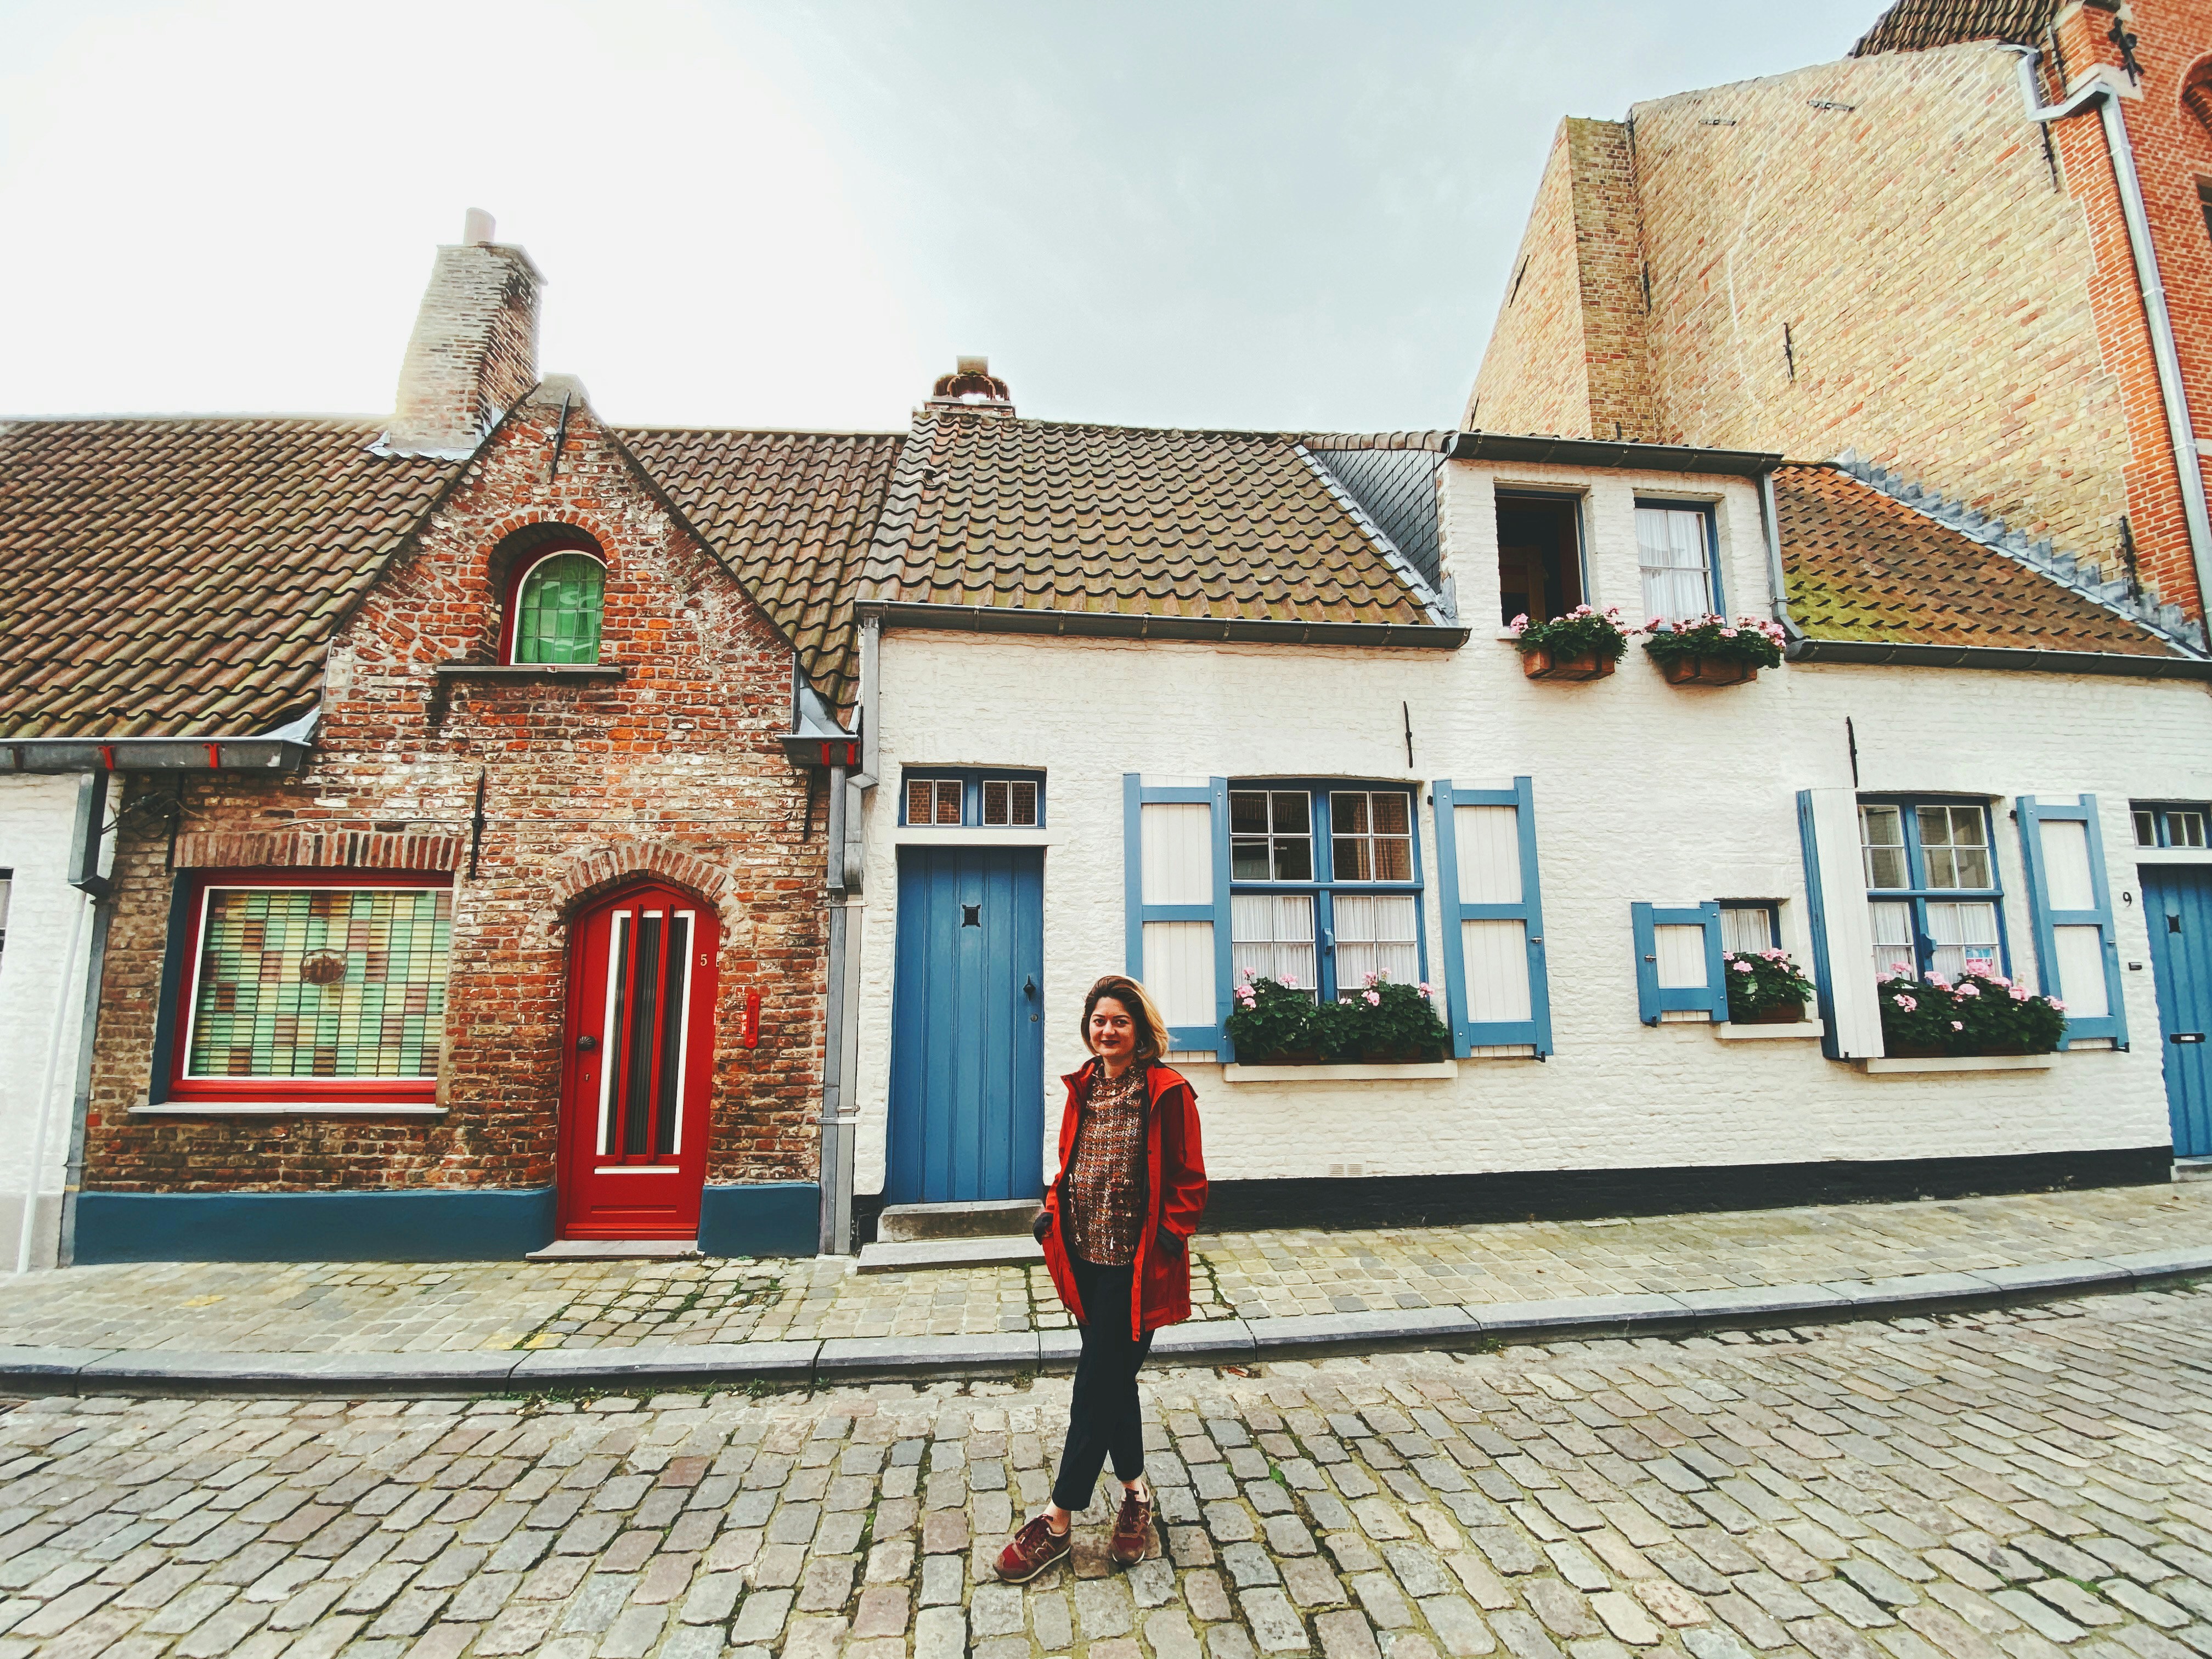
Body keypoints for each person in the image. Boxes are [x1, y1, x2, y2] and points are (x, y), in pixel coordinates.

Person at [997, 974, 1207, 1580]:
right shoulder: (1084, 1086)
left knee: (1094, 1388)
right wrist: (1051, 1211)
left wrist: (1169, 1239)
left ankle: (1058, 1521)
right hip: (1084, 1257)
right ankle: (1136, 1496)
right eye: (1098, 1021)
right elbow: (1072, 1159)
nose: (1107, 1030)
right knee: (1114, 1382)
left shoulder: (1167, 1091)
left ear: (1140, 1029)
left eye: (1119, 1020)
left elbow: (1190, 1183)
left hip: (1136, 1268)